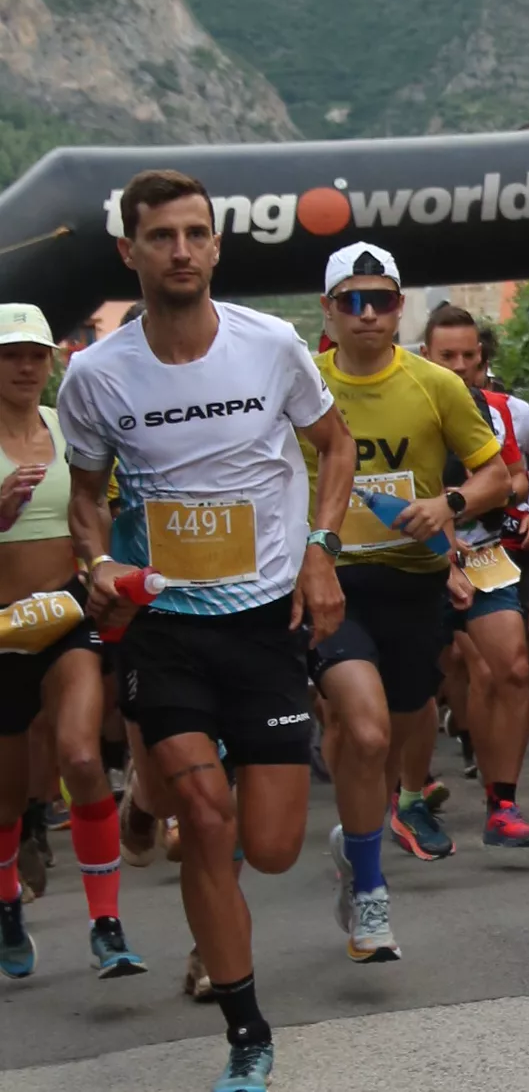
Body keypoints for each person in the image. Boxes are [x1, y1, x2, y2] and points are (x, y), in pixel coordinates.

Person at [63, 170, 356, 1092]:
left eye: (196, 233)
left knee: (266, 847)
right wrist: (100, 565)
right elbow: (84, 496)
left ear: (217, 247)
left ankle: (148, 798)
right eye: (162, 236)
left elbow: (334, 444)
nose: (181, 250)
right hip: (167, 626)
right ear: (130, 251)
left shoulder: (270, 346)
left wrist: (320, 548)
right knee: (207, 812)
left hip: (266, 620)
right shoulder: (97, 373)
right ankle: (245, 1027)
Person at [304, 243, 511, 955]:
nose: (368, 314)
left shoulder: (435, 385)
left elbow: (498, 475)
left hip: (412, 579)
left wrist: (448, 501)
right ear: (328, 310)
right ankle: (369, 890)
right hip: (332, 581)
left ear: (399, 308)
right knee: (361, 730)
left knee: (390, 727)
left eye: (382, 299)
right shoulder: (301, 384)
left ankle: (355, 834)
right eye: (352, 300)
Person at [0, 302, 144, 981]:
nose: (25, 367)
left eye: (35, 355)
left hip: (65, 614)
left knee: (82, 755)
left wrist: (101, 572)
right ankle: (6, 904)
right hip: (0, 626)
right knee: (3, 794)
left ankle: (106, 923)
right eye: (10, 355)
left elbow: (97, 513)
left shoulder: (68, 431)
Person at [416, 303, 529, 848]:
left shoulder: (497, 410)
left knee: (514, 668)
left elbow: (518, 475)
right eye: (447, 356)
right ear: (425, 355)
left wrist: (512, 497)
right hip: (413, 559)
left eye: (469, 356)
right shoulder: (401, 405)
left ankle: (503, 805)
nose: (459, 366)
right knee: (413, 685)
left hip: (484, 554)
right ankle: (406, 798)